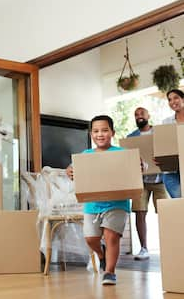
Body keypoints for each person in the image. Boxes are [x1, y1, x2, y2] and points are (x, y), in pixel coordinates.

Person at [66, 115, 130, 286]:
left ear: (112, 132)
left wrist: (142, 166)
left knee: (111, 237)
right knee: (91, 238)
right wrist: (70, 171)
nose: (100, 134)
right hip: (92, 204)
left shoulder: (121, 153)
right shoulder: (85, 155)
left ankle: (110, 272)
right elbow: (74, 170)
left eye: (104, 130)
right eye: (96, 131)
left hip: (117, 203)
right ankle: (101, 254)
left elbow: (138, 166)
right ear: (91, 134)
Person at [127, 107, 168, 261]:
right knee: (140, 212)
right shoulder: (131, 137)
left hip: (160, 180)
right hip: (141, 181)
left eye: (141, 114)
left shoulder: (158, 133)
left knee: (165, 214)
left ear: (148, 116)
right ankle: (144, 248)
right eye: (136, 114)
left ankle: (168, 245)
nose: (138, 116)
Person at [161, 89, 184, 198]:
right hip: (171, 171)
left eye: (176, 98)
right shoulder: (166, 122)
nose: (172, 101)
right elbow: (163, 145)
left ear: (182, 99)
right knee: (180, 202)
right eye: (169, 99)